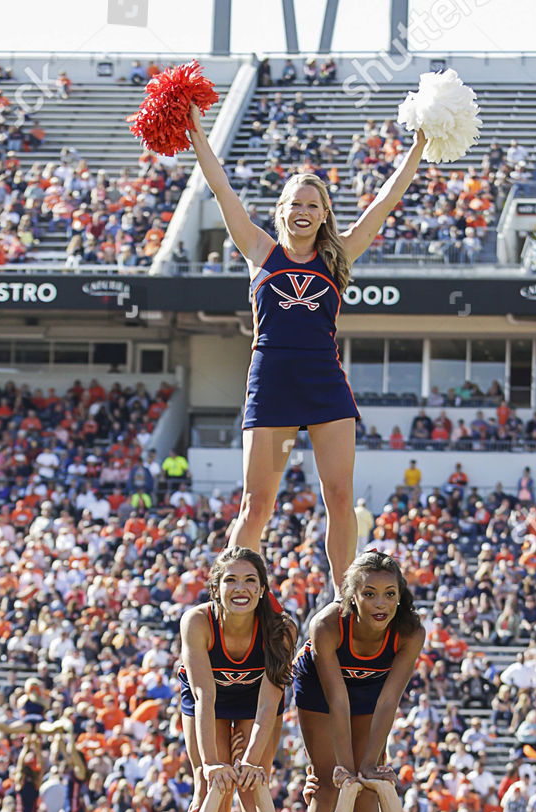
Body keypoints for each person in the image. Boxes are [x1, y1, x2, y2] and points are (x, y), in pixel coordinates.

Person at [186, 104, 427, 590]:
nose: (303, 212)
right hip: (272, 384)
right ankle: (233, 593)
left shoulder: (341, 255)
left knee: (339, 496)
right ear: (281, 211)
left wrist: (419, 146)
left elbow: (384, 200)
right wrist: (195, 132)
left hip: (323, 386)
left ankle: (344, 600)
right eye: (295, 204)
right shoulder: (260, 251)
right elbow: (221, 188)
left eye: (313, 206)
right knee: (258, 505)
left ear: (324, 216)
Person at [293, 552, 424, 812]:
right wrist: (346, 767)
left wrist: (368, 765)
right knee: (331, 783)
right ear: (351, 596)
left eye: (390, 594)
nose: (381, 603)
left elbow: (389, 701)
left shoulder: (411, 632)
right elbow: (337, 699)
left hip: (371, 689)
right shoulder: (327, 624)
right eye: (369, 594)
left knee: (368, 786)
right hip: (320, 687)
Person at [179, 547, 297, 812]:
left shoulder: (280, 628)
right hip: (209, 702)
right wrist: (210, 765)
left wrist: (249, 762)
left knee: (252, 789)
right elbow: (204, 694)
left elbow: (269, 702)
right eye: (231, 580)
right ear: (215, 589)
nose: (240, 588)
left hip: (255, 702)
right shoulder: (197, 622)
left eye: (249, 580)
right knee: (210, 790)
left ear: (261, 589)